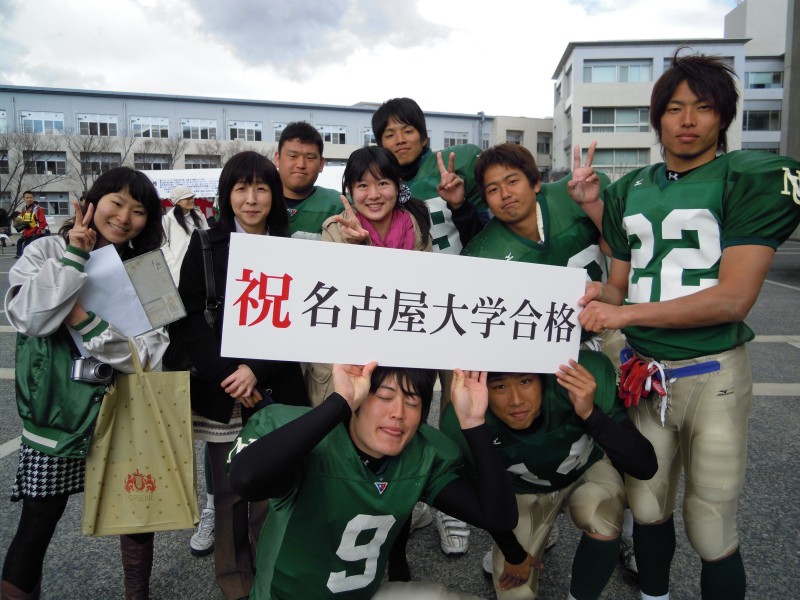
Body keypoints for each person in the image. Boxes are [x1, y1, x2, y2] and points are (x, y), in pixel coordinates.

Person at [574, 51, 800, 600]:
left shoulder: (746, 177)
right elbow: (620, 288)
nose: (689, 120)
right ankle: (655, 595)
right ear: (658, 118)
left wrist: (624, 313)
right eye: (675, 108)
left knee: (710, 522)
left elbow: (733, 299)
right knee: (647, 506)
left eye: (703, 107)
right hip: (645, 375)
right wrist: (594, 295)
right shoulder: (630, 188)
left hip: (712, 373)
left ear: (723, 116)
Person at [1, 167, 169, 600]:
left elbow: (147, 355)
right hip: (56, 414)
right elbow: (29, 318)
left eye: (138, 211)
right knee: (38, 521)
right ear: (93, 201)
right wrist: (75, 257)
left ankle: (137, 593)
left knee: (136, 516)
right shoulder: (46, 249)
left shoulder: (147, 270)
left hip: (126, 411)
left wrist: (82, 319)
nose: (124, 217)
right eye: (117, 202)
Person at [228, 363, 518, 600]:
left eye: (412, 401)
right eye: (384, 396)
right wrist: (339, 401)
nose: (398, 413)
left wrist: (474, 423)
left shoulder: (423, 454)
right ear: (360, 397)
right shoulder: (307, 442)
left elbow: (500, 517)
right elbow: (247, 479)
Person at [168, 151, 309, 600]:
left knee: (272, 488)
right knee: (228, 492)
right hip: (221, 389)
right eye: (241, 188)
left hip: (276, 385)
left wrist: (255, 369)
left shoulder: (290, 249)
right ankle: (235, 581)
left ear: (274, 195)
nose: (251, 199)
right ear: (226, 195)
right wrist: (229, 373)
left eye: (261, 188)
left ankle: (271, 575)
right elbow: (188, 317)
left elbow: (301, 318)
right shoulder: (206, 244)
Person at [441, 351, 657, 600]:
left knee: (602, 514)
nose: (516, 400)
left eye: (525, 381)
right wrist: (513, 553)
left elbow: (645, 466)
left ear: (544, 379)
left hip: (585, 471)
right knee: (515, 593)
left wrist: (591, 414)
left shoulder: (578, 376)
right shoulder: (462, 417)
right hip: (520, 492)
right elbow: (486, 500)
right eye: (500, 386)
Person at [372, 97, 484, 255]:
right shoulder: (374, 187)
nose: (400, 140)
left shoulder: (457, 166)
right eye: (390, 135)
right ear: (380, 146)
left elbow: (485, 236)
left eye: (408, 131)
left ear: (423, 138)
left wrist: (460, 206)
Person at [273, 121, 343, 240]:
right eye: (293, 156)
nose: (301, 164)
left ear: (321, 164)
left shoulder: (339, 205)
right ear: (277, 159)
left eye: (310, 157)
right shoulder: (258, 201)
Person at [161, 185, 209, 284]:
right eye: (187, 198)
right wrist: (173, 265)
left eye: (192, 197)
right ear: (177, 201)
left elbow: (207, 236)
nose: (191, 200)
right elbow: (163, 246)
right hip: (178, 268)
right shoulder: (167, 220)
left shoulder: (199, 216)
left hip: (199, 265)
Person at [14, 191, 48, 259]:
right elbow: (24, 222)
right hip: (27, 234)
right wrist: (22, 230)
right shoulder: (23, 210)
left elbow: (43, 223)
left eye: (31, 197)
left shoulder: (38, 209)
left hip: (36, 234)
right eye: (27, 198)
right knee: (25, 251)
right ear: (24, 199)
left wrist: (37, 234)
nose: (29, 199)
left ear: (33, 198)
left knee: (32, 253)